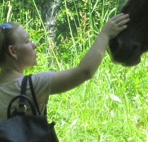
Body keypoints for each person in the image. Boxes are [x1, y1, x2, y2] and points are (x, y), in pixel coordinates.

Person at [0, 13, 130, 120]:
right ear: (12, 51)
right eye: (27, 41)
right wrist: (105, 35)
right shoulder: (31, 85)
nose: (34, 45)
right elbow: (85, 72)